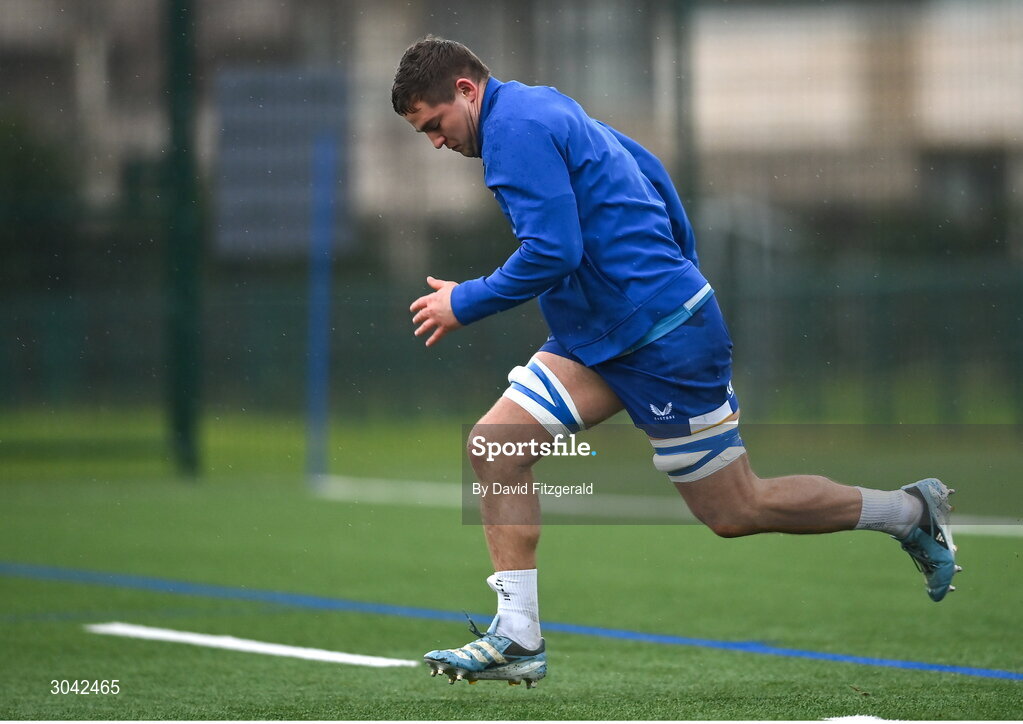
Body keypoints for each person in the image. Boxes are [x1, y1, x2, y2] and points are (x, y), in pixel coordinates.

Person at [390, 36, 959, 688]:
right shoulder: (539, 107)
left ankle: (909, 512)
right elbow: (647, 166)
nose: (436, 142)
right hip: (606, 334)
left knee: (733, 510)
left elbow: (553, 249)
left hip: (661, 341)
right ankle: (518, 635)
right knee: (496, 448)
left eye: (435, 126)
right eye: (423, 134)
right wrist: (678, 264)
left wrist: (466, 300)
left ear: (466, 90)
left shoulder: (513, 128)